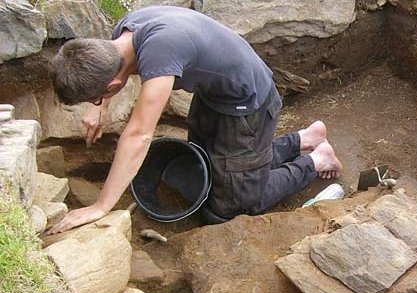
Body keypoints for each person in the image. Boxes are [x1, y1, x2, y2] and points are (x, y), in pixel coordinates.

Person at [46, 6, 343, 233]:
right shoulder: (121, 37)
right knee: (210, 166)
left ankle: (317, 160)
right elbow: (113, 75)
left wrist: (101, 206)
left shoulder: (160, 56)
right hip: (213, 94)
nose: (98, 103)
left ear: (110, 86)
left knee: (233, 205)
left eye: (97, 98)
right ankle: (305, 138)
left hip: (249, 103)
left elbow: (138, 135)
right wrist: (101, 107)